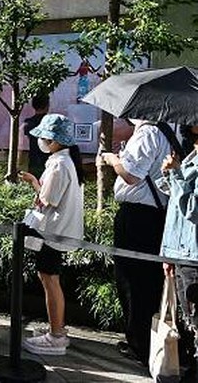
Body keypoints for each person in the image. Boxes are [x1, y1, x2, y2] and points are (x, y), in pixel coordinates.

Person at [101, 120, 172, 363]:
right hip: (157, 214)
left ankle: (139, 344)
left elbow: (131, 175)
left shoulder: (148, 131)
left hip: (138, 215)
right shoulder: (169, 131)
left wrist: (112, 159)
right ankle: (147, 341)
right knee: (149, 282)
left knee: (132, 280)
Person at [18, 114, 85, 355]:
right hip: (59, 231)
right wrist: (37, 182)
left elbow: (47, 200)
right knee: (49, 278)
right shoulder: (64, 162)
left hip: (54, 233)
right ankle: (57, 330)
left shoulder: (58, 164)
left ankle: (56, 335)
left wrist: (37, 187)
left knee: (49, 278)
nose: (42, 141)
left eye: (45, 137)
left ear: (56, 140)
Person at [160, 125, 198, 378]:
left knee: (196, 322)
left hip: (194, 256)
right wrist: (168, 254)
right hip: (182, 252)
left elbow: (193, 209)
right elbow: (175, 207)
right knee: (190, 323)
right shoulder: (191, 159)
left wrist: (176, 175)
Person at [24, 95, 50, 177]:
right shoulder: (50, 122)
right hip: (48, 159)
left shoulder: (28, 123)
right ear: (47, 105)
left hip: (33, 159)